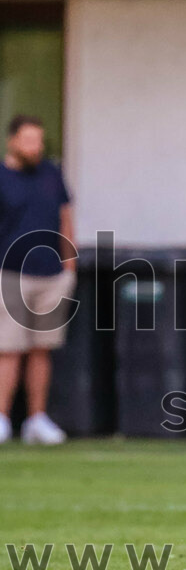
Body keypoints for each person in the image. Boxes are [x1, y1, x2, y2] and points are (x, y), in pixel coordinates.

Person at [0, 115, 76, 446]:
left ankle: (36, 419)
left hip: (51, 274)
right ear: (12, 141)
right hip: (10, 274)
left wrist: (69, 266)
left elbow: (65, 216)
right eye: (28, 140)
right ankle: (2, 419)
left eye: (39, 141)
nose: (36, 147)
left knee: (41, 349)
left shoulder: (50, 173)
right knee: (8, 350)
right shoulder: (2, 177)